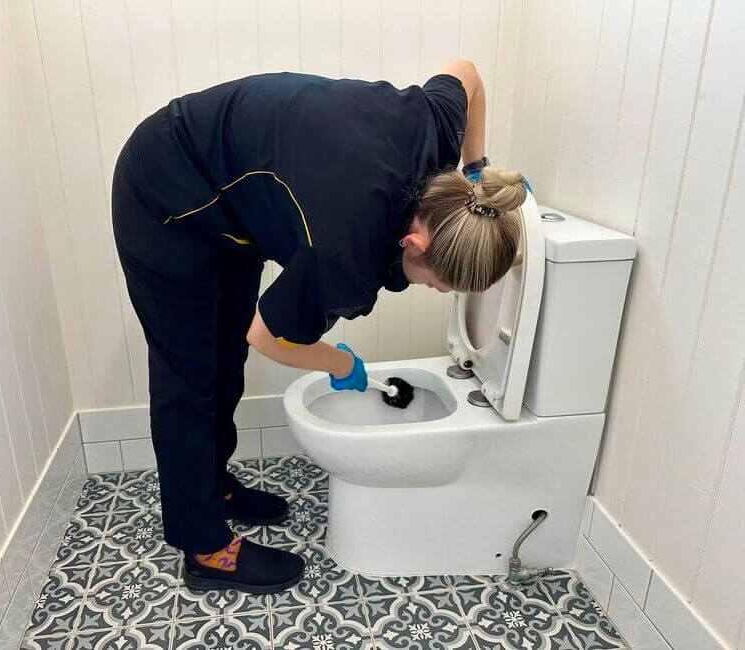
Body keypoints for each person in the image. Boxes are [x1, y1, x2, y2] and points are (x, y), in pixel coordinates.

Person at [110, 60, 528, 594]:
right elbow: (266, 336)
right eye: (441, 284)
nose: (440, 294)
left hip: (231, 203)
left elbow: (467, 74)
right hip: (165, 191)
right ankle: (205, 549)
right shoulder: (345, 250)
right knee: (190, 375)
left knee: (222, 362)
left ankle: (212, 488)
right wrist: (339, 363)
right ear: (415, 245)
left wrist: (476, 169)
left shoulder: (438, 144)